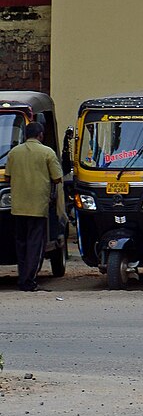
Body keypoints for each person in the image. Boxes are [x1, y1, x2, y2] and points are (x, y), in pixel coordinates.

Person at [5, 112, 66, 290]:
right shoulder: (47, 152)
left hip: (18, 206)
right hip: (38, 206)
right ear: (40, 135)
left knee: (21, 244)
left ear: (25, 135)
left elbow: (7, 177)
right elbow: (57, 178)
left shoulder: (13, 152)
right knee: (35, 244)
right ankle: (29, 280)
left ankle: (22, 276)